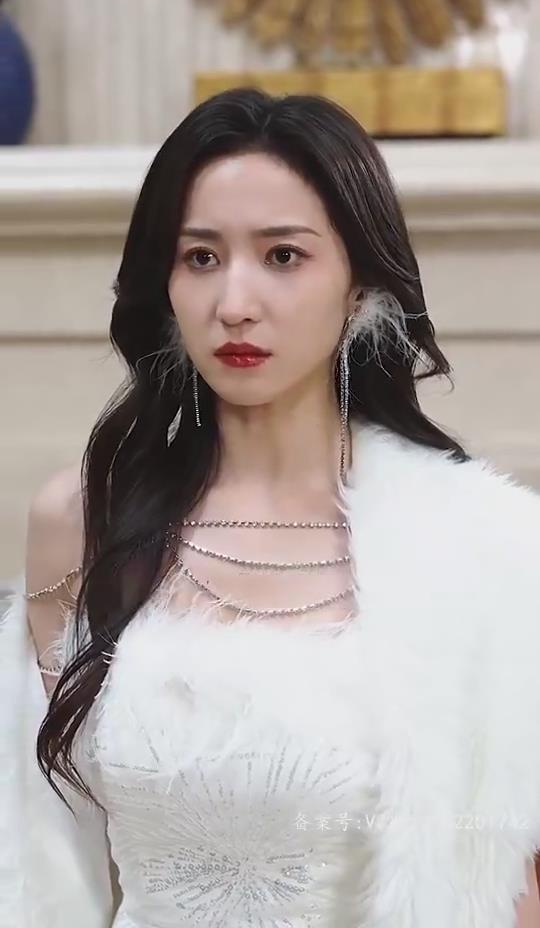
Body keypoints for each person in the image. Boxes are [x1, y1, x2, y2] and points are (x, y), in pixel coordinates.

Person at [1, 87, 540, 928]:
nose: (234, 304)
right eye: (200, 257)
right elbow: (43, 865)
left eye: (283, 255)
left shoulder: (481, 542)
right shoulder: (81, 520)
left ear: (359, 283)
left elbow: (508, 882)